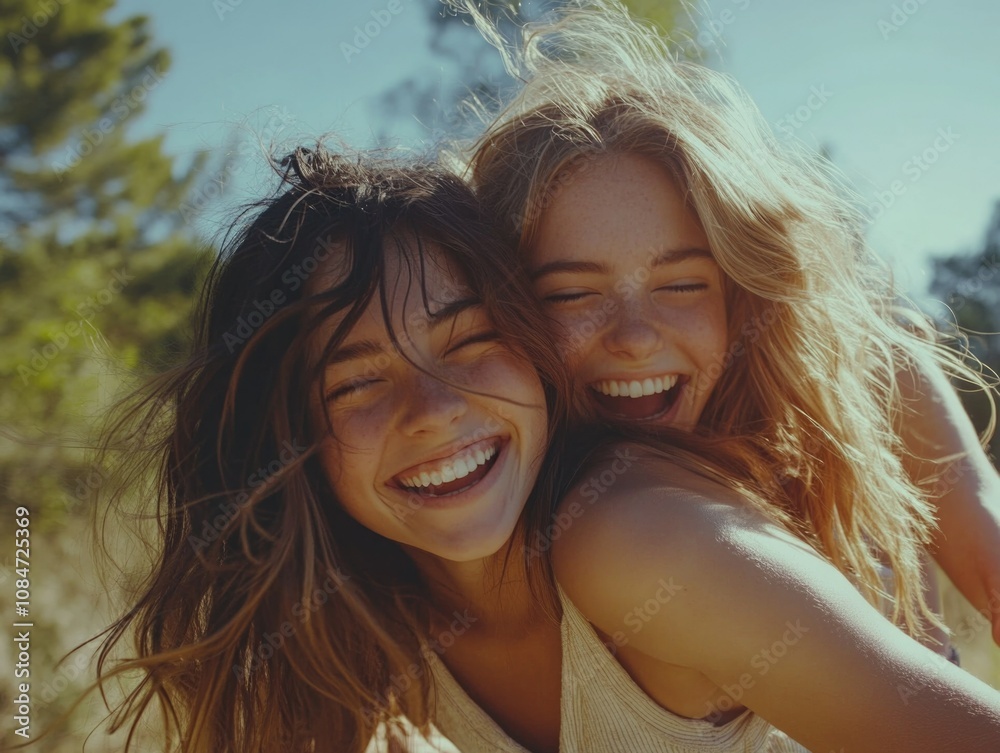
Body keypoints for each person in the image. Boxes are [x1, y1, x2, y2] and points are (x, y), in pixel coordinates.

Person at [442, 0, 1000, 749]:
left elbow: (874, 347)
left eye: (682, 285)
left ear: (740, 297)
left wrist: (973, 525)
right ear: (501, 304)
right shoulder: (451, 506)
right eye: (572, 294)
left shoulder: (824, 383)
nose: (636, 339)